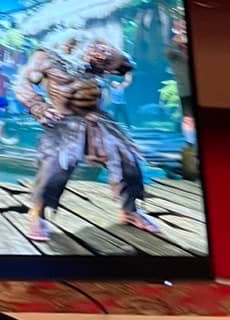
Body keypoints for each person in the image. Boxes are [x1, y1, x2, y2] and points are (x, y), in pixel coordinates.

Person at [13, 33, 161, 243]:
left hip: (97, 120)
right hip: (64, 121)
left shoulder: (97, 59)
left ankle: (130, 211)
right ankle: (37, 215)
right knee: (54, 169)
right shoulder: (46, 57)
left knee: (127, 163)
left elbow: (126, 66)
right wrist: (38, 106)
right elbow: (22, 83)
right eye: (91, 49)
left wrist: (108, 53)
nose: (94, 53)